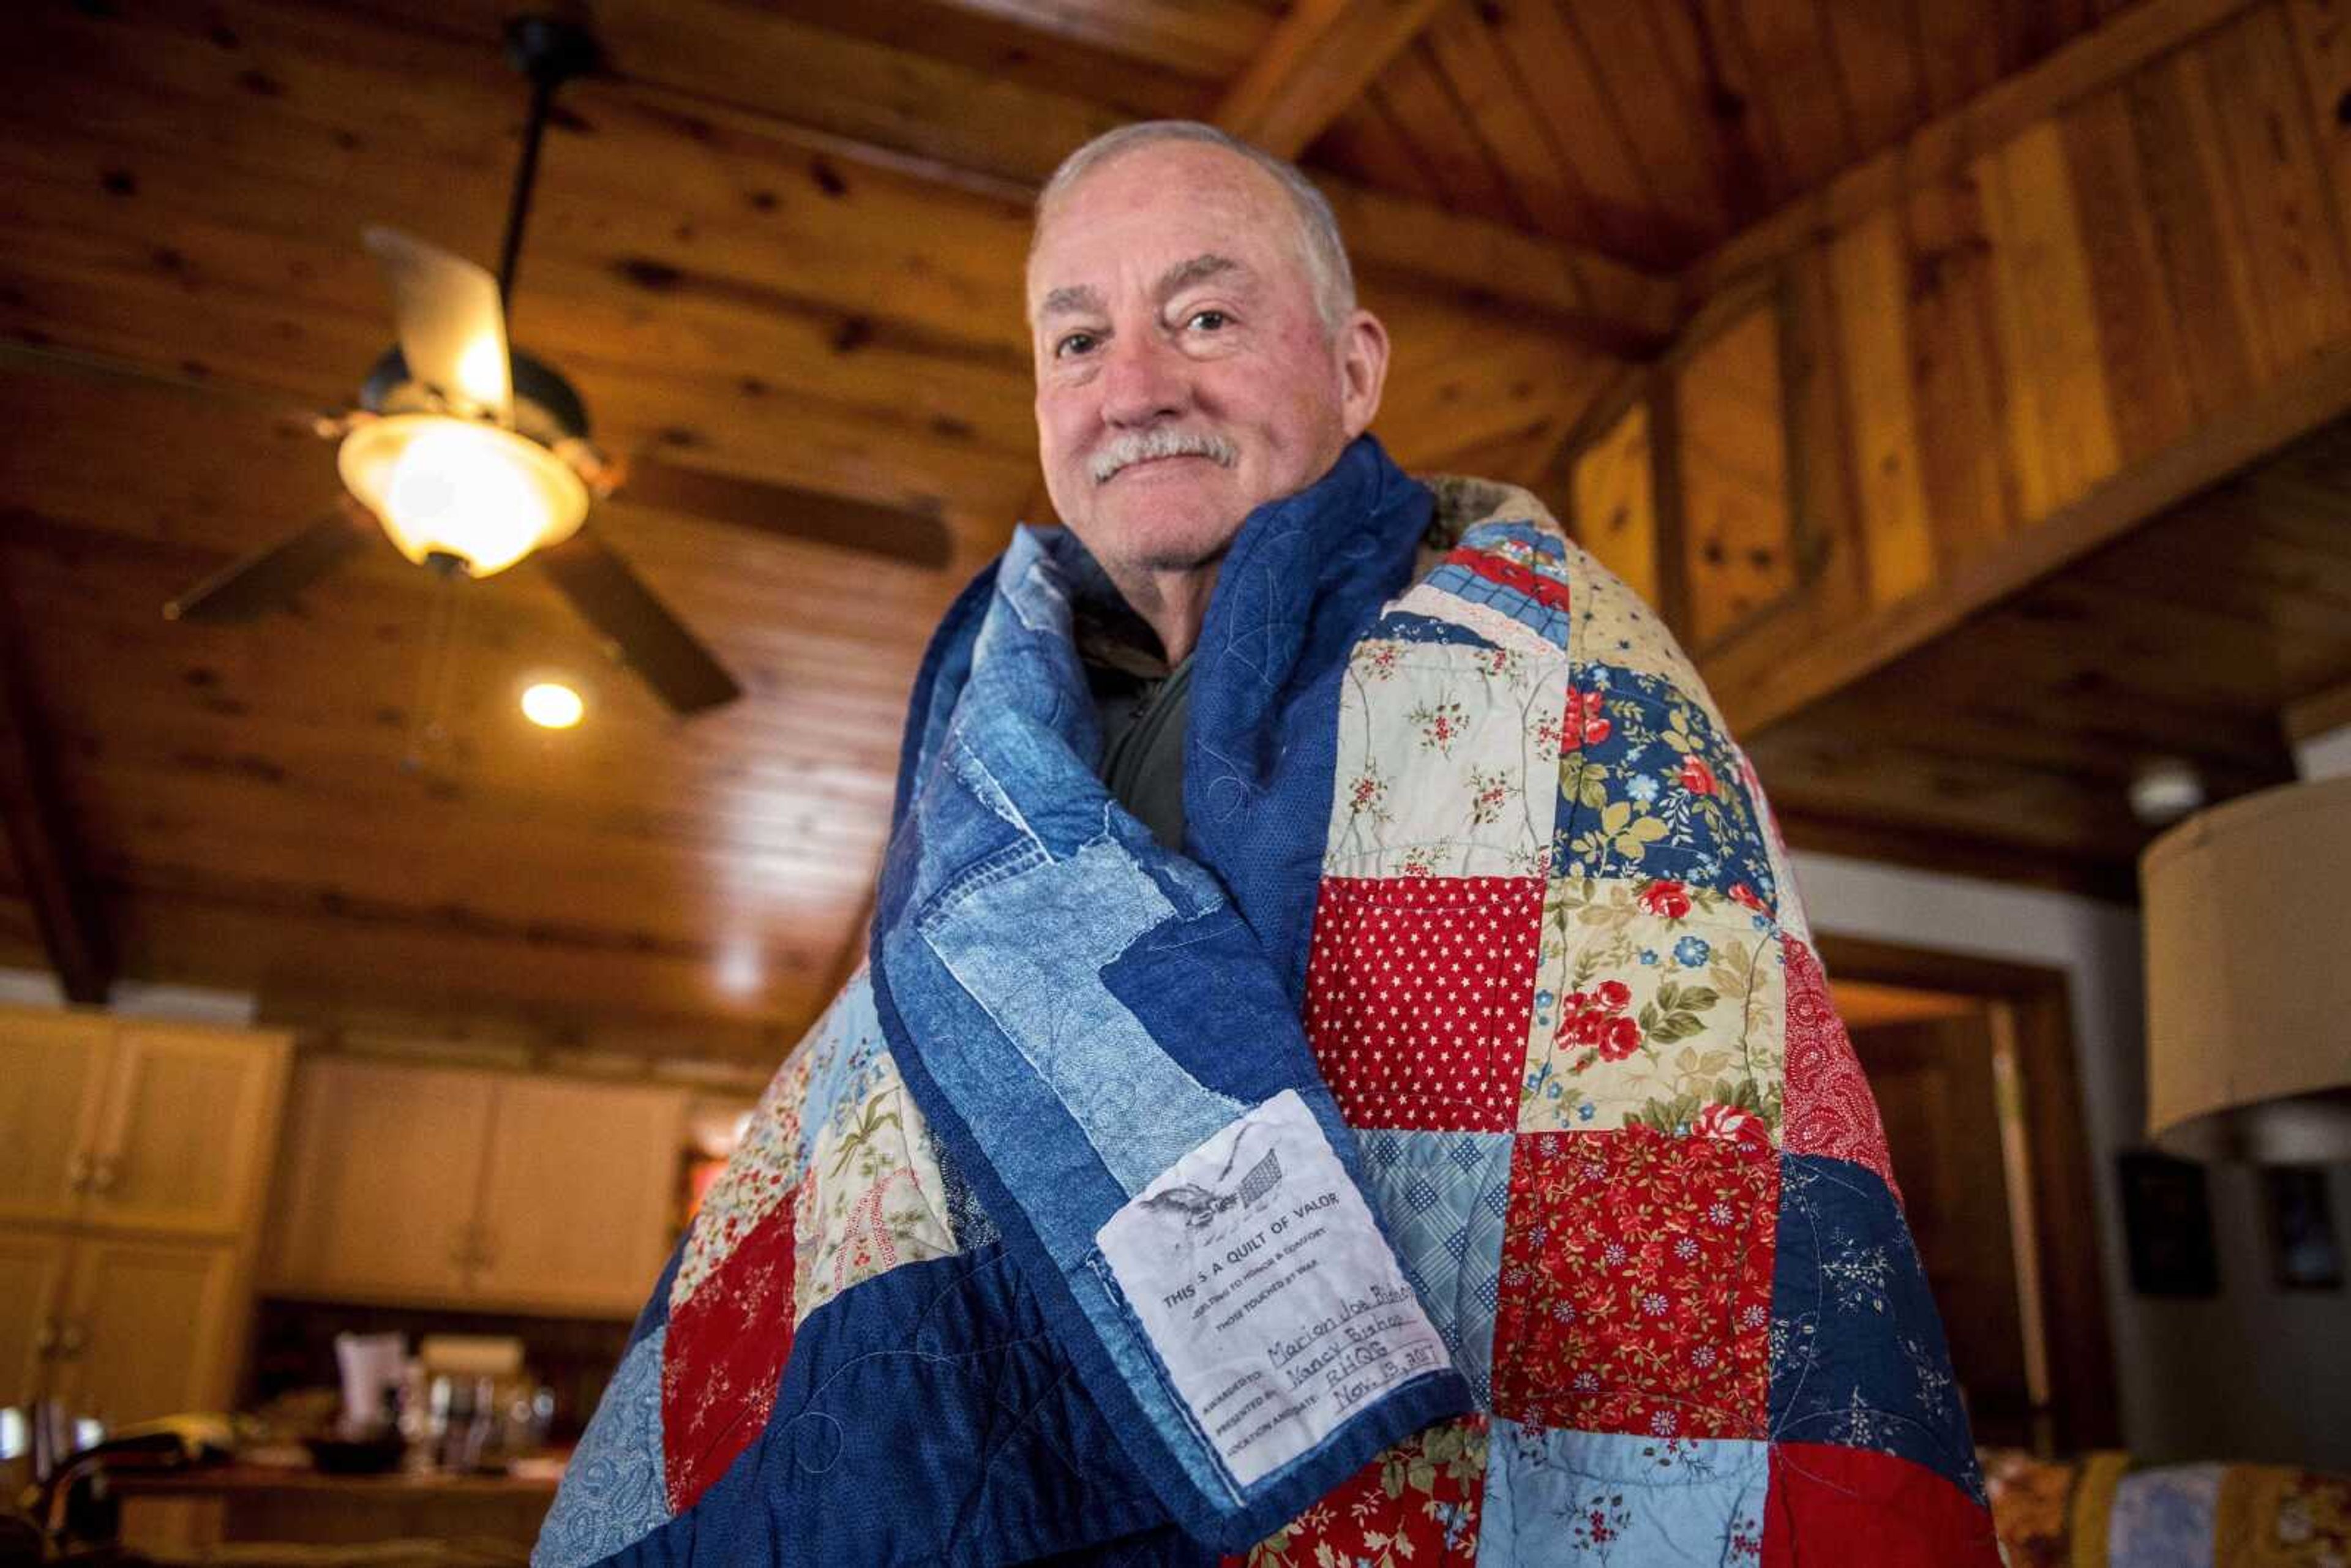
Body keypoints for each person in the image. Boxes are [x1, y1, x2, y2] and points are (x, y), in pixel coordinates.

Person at [534, 122, 2002, 1567]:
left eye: (1206, 314)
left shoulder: (1545, 669)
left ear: (1356, 368)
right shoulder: (991, 741)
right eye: (1077, 342)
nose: (1135, 388)